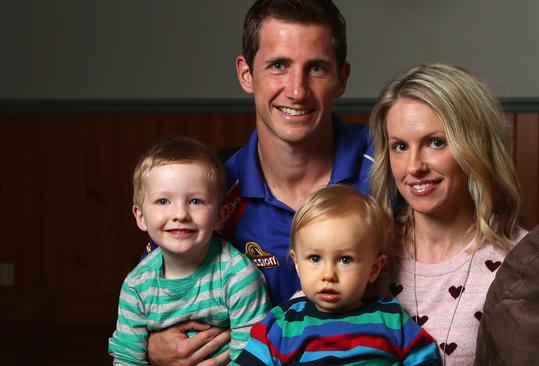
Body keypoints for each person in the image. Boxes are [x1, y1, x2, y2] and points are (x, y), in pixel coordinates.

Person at [146, 0, 373, 364]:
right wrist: (151, 346)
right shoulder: (210, 191)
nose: (296, 91)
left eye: (316, 68)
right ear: (246, 73)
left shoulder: (390, 165)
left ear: (341, 78)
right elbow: (151, 300)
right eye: (278, 66)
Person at [368, 63, 528, 366]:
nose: (414, 166)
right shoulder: (366, 243)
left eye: (435, 142)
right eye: (400, 146)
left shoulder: (523, 259)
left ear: (475, 147)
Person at [235, 185, 441, 365]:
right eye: (315, 258)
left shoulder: (391, 318)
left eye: (345, 260)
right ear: (297, 264)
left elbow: (425, 357)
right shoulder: (282, 323)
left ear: (374, 269)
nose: (328, 275)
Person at [108, 136, 270, 364]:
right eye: (163, 201)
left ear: (220, 216)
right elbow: (127, 358)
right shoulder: (136, 286)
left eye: (195, 201)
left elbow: (252, 355)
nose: (180, 214)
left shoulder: (239, 277)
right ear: (141, 217)